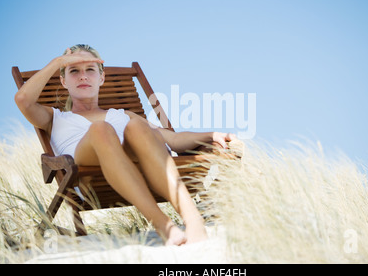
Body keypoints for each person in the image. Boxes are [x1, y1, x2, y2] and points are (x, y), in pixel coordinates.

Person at [14, 44, 236, 245]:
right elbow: (23, 100)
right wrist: (58, 62)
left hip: (142, 166)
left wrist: (212, 134)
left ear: (102, 78)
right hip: (88, 175)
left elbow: (174, 141)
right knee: (101, 129)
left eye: (90, 69)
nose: (83, 76)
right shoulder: (54, 118)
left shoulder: (123, 115)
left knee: (138, 127)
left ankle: (193, 219)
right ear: (63, 80)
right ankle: (163, 225)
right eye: (74, 70)